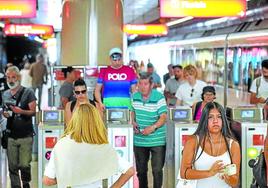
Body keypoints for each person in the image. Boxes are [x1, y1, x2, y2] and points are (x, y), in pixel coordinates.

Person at [43, 103, 134, 187]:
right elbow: (129, 171)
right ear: (96, 121)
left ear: (75, 120)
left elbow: (47, 180)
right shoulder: (101, 146)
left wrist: (69, 178)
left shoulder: (62, 145)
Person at [180, 102, 240, 188]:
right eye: (210, 117)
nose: (215, 121)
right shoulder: (193, 141)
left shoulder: (233, 145)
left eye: (219, 117)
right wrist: (210, 172)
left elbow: (235, 182)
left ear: (223, 120)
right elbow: (184, 173)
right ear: (204, 120)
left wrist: (228, 177)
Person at [130, 73, 167, 188]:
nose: (142, 86)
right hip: (139, 140)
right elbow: (132, 111)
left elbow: (163, 117)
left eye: (145, 84)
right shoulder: (134, 96)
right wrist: (133, 121)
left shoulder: (159, 97)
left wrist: (152, 128)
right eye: (140, 84)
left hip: (157, 140)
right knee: (141, 171)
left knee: (157, 170)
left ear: (151, 85)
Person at [2, 66, 37, 188]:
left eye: (13, 77)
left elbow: (33, 112)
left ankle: (26, 182)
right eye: (8, 77)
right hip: (11, 135)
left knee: (24, 164)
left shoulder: (29, 92)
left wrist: (21, 111)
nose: (10, 80)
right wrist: (5, 114)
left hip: (26, 135)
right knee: (12, 167)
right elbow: (5, 110)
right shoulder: (5, 94)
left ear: (19, 77)